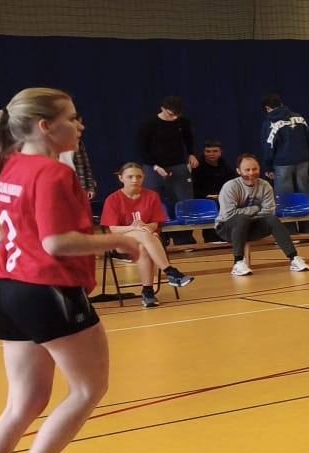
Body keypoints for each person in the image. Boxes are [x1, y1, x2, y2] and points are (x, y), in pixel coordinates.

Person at [0, 88, 164, 453]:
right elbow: (57, 243)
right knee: (88, 389)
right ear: (46, 126)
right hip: (47, 290)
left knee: (23, 403)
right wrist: (118, 240)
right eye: (72, 118)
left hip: (7, 288)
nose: (80, 126)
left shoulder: (7, 165)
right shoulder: (51, 172)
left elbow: (15, 230)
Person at [100, 162, 194, 308]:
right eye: (130, 177)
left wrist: (145, 226)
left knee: (144, 247)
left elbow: (155, 224)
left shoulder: (152, 196)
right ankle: (171, 272)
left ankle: (148, 292)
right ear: (121, 178)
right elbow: (114, 229)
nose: (135, 180)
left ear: (143, 177)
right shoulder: (112, 199)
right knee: (144, 235)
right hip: (123, 243)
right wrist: (135, 227)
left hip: (148, 240)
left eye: (138, 177)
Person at [216, 154, 309, 276]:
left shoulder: (265, 186)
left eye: (254, 169)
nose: (251, 173)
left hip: (251, 227)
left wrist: (250, 216)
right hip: (226, 229)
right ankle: (238, 263)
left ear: (259, 169)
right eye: (247, 170)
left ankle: (294, 258)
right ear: (238, 171)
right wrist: (256, 208)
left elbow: (269, 211)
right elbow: (229, 214)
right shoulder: (230, 187)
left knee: (272, 219)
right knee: (241, 219)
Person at [138, 96, 197, 212]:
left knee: (185, 200)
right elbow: (141, 149)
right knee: (151, 200)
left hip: (177, 165)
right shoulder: (149, 125)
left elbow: (188, 139)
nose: (174, 117)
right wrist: (155, 166)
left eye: (177, 115)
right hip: (153, 167)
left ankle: (186, 223)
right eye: (171, 114)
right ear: (162, 109)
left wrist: (191, 154)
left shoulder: (183, 122)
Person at [261, 92, 309, 200]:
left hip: (282, 164)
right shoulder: (299, 118)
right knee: (305, 196)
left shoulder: (270, 123)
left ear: (267, 108)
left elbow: (269, 147)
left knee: (285, 200)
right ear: (281, 104)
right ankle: (308, 210)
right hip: (303, 161)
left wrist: (268, 167)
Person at [191, 139, 236, 204]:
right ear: (203, 152)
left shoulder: (226, 168)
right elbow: (193, 190)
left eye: (215, 151)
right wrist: (208, 196)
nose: (211, 154)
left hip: (223, 200)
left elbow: (232, 186)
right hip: (202, 202)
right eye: (208, 151)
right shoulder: (196, 168)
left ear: (220, 152)